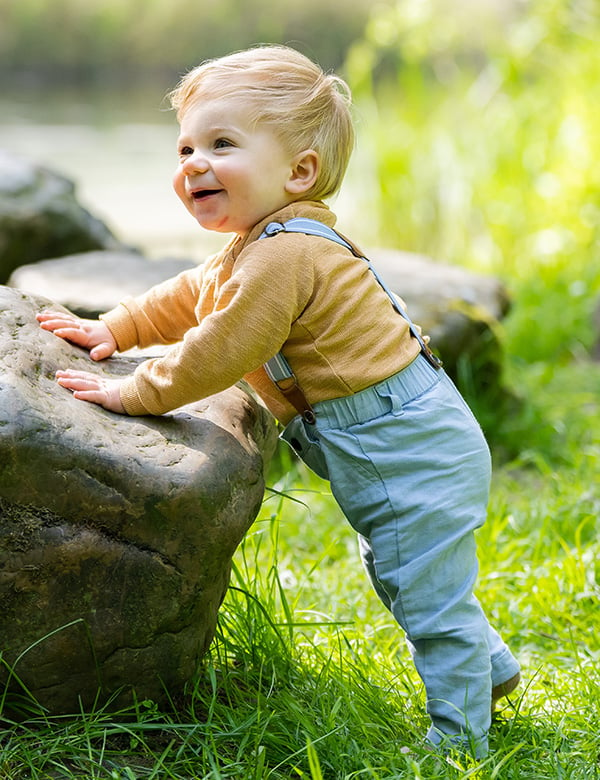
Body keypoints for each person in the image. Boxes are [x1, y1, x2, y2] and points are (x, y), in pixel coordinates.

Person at [37, 44, 520, 756]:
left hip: (404, 444)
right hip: (399, 437)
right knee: (406, 573)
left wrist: (135, 390)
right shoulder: (260, 245)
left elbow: (219, 345)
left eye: (222, 143)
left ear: (299, 171)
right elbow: (188, 294)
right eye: (186, 146)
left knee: (421, 587)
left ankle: (461, 740)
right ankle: (491, 672)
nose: (193, 163)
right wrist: (116, 326)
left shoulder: (284, 255)